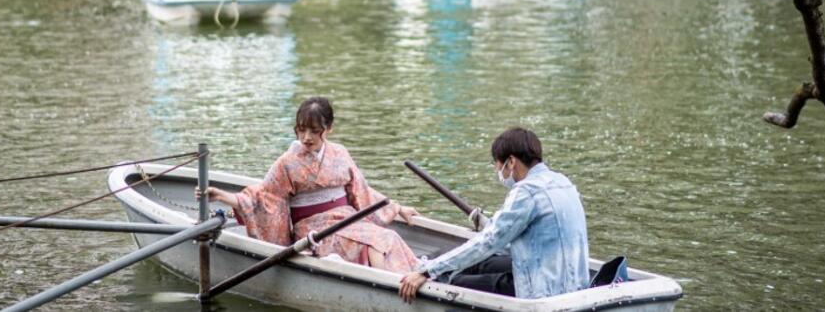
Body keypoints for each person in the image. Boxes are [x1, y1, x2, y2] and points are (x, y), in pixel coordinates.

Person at [199, 97, 421, 273]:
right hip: (315, 231)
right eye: (302, 129)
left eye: (315, 131)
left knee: (389, 237)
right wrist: (223, 196)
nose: (306, 137)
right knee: (374, 243)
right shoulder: (287, 162)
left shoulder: (340, 153)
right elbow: (264, 197)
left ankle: (408, 279)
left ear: (329, 128)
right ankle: (388, 289)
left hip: (347, 220)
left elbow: (360, 191)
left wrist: (398, 208)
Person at [399, 128, 589, 302]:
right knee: (482, 263)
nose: (497, 171)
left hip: (540, 291)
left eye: (498, 164)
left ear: (511, 162)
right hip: (573, 284)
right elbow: (508, 240)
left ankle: (423, 272)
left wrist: (427, 271)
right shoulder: (563, 182)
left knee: (455, 281)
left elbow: (488, 242)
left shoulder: (526, 192)